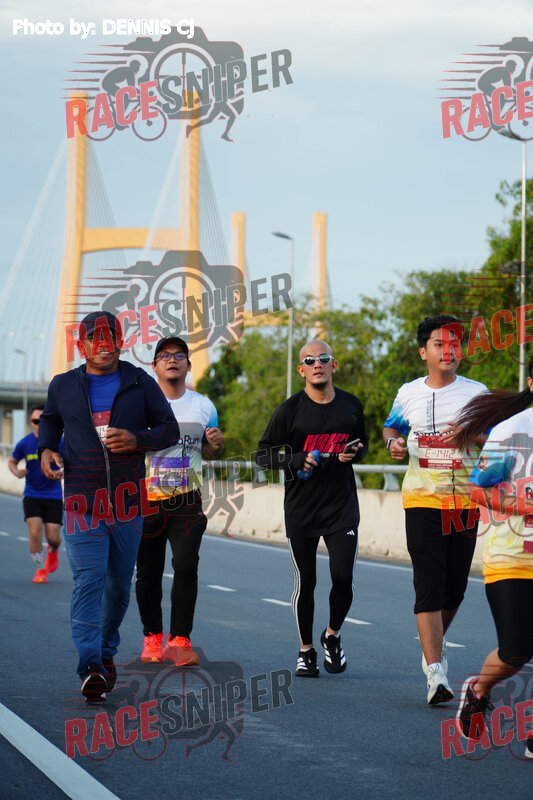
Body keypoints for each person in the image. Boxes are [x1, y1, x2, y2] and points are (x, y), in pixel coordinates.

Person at [38, 311, 180, 703]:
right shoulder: (63, 385)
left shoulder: (140, 382)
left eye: (111, 337)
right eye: (95, 338)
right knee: (88, 580)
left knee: (118, 586)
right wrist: (47, 449)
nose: (104, 345)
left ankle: (105, 651)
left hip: (128, 505)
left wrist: (136, 439)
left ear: (121, 341)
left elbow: (169, 429)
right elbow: (50, 422)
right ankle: (90, 666)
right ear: (81, 345)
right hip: (82, 503)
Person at [383, 314, 487, 705]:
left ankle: (435, 644)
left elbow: (496, 437)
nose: (449, 351)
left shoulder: (477, 393)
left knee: (454, 588)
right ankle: (435, 672)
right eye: (440, 344)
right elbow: (391, 428)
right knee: (428, 582)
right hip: (422, 499)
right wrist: (392, 443)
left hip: (464, 501)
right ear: (423, 351)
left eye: (455, 343)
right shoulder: (408, 392)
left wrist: (467, 433)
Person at [256, 339, 367, 677]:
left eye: (323, 358)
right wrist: (295, 459)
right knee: (306, 582)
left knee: (343, 577)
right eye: (309, 360)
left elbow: (362, 444)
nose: (317, 364)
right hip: (301, 509)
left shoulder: (350, 405)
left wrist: (354, 452)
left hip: (340, 507)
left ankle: (332, 635)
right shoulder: (289, 410)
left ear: (334, 365)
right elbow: (262, 455)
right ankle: (306, 650)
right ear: (301, 370)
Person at [452, 355, 533, 756]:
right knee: (517, 648)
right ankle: (479, 690)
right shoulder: (512, 431)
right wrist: (523, 504)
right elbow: (477, 489)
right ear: (531, 383)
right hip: (512, 557)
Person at [135, 336, 224, 666]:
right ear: (154, 365)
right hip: (147, 499)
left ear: (188, 364)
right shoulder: (141, 405)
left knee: (186, 566)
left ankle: (179, 640)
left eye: (178, 355)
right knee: (148, 571)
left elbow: (210, 452)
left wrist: (216, 445)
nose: (172, 360)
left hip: (187, 499)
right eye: (164, 355)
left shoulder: (204, 406)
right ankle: (152, 637)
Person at [8, 406, 63, 583]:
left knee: (53, 538)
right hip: (32, 494)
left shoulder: (60, 442)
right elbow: (12, 461)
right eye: (35, 421)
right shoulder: (25, 443)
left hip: (54, 495)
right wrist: (16, 471)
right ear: (31, 422)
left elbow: (72, 462)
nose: (39, 424)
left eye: (42, 420)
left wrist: (64, 472)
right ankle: (40, 569)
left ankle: (52, 551)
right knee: (35, 532)